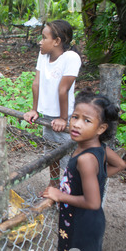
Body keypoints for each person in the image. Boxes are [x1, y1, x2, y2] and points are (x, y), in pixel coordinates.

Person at [41, 90, 126, 251]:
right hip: (91, 223)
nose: (77, 124)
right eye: (75, 117)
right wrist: (97, 181)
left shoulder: (86, 159)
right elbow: (120, 165)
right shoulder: (100, 149)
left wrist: (60, 195)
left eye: (87, 120)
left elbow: (93, 202)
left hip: (80, 225)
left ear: (100, 128)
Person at [23, 20, 82, 187]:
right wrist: (35, 110)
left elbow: (63, 90)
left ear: (56, 41)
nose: (40, 41)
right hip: (48, 116)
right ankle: (53, 184)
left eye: (44, 37)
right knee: (50, 153)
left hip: (66, 115)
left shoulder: (71, 58)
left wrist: (64, 118)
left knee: (69, 156)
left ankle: (70, 189)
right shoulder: (43, 56)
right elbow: (36, 83)